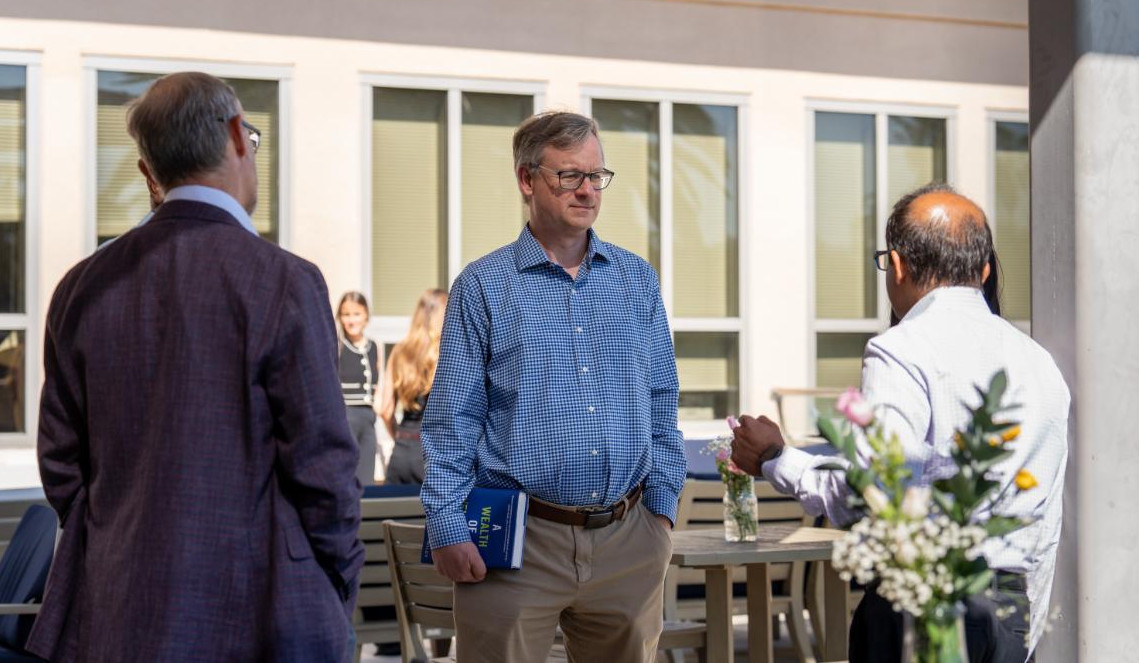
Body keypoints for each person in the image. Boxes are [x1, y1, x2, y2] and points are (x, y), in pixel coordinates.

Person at [29, 71, 365, 662]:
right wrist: (336, 585)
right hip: (263, 613)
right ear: (236, 135)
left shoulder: (81, 288)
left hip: (117, 614)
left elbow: (62, 466)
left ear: (148, 173)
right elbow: (324, 468)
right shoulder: (284, 281)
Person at [731, 183, 1069, 663]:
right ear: (984, 269)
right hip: (1012, 609)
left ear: (897, 265)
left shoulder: (902, 349)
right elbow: (1046, 520)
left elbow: (876, 490)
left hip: (923, 604)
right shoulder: (1038, 362)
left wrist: (776, 458)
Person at [421, 111, 686, 662]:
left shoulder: (637, 279)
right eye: (570, 176)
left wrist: (660, 512)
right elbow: (452, 420)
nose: (587, 190)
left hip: (629, 541)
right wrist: (446, 523)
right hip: (515, 542)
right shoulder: (483, 285)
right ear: (527, 179)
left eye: (596, 176)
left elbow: (662, 400)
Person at [377, 288, 447, 485]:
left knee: (394, 506)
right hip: (431, 452)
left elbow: (384, 409)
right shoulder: (445, 351)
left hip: (401, 451)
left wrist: (400, 436)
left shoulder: (399, 351)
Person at [337, 290, 384, 485]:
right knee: (345, 476)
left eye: (356, 314)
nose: (351, 320)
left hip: (369, 419)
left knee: (366, 480)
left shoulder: (374, 346)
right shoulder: (338, 346)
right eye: (346, 314)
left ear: (366, 316)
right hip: (346, 416)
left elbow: (380, 384)